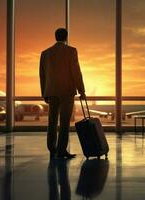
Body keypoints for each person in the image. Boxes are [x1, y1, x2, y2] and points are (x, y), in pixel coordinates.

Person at [39, 28, 86, 159]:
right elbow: (76, 72)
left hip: (51, 92)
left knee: (52, 121)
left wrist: (44, 93)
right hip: (67, 92)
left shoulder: (45, 53)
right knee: (64, 122)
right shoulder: (71, 51)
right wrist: (81, 90)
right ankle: (61, 150)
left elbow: (42, 75)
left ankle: (51, 148)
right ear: (66, 37)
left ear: (55, 37)